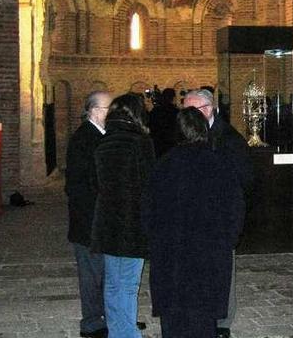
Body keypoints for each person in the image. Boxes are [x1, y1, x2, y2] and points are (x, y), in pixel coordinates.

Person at [146, 107, 245, 337]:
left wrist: (156, 243)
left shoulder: (162, 166)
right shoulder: (220, 164)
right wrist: (227, 241)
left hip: (171, 256)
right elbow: (236, 209)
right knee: (203, 319)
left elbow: (147, 212)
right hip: (208, 255)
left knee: (173, 320)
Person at [182, 88, 252, 338]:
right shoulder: (188, 135)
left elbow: (243, 182)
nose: (186, 116)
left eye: (191, 110)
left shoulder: (229, 140)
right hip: (194, 219)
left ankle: (222, 321)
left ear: (208, 109)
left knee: (223, 274)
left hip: (219, 220)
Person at [91, 93, 155, 337]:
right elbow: (148, 185)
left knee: (113, 284)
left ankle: (117, 331)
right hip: (131, 223)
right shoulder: (140, 142)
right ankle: (127, 334)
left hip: (107, 222)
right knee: (128, 284)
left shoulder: (104, 142)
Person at [65, 91, 111, 338]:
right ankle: (92, 323)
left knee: (103, 272)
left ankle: (108, 316)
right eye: (108, 109)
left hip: (98, 219)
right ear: (94, 111)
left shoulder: (99, 136)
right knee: (91, 275)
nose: (112, 114)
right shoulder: (85, 138)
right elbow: (81, 185)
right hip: (89, 221)